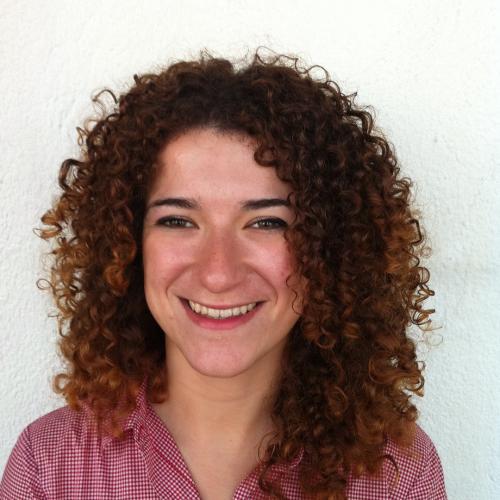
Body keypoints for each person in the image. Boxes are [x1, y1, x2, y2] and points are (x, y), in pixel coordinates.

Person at [0, 50, 447, 499]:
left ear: (330, 248)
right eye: (178, 220)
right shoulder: (49, 465)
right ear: (127, 244)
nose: (218, 273)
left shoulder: (396, 475)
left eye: (266, 222)